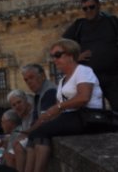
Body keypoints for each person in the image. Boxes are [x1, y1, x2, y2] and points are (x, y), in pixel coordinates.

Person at [25, 39, 104, 172]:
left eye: (57, 55)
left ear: (70, 55)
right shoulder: (62, 81)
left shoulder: (83, 71)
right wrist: (33, 127)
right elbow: (53, 110)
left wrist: (59, 107)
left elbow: (84, 97)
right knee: (34, 135)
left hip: (87, 116)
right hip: (70, 117)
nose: (54, 59)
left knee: (41, 133)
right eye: (52, 56)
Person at [62, 0, 118, 108]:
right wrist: (76, 57)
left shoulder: (112, 22)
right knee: (94, 114)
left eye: (91, 7)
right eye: (85, 8)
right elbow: (62, 44)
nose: (88, 10)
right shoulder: (79, 26)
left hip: (114, 77)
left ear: (98, 6)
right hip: (90, 79)